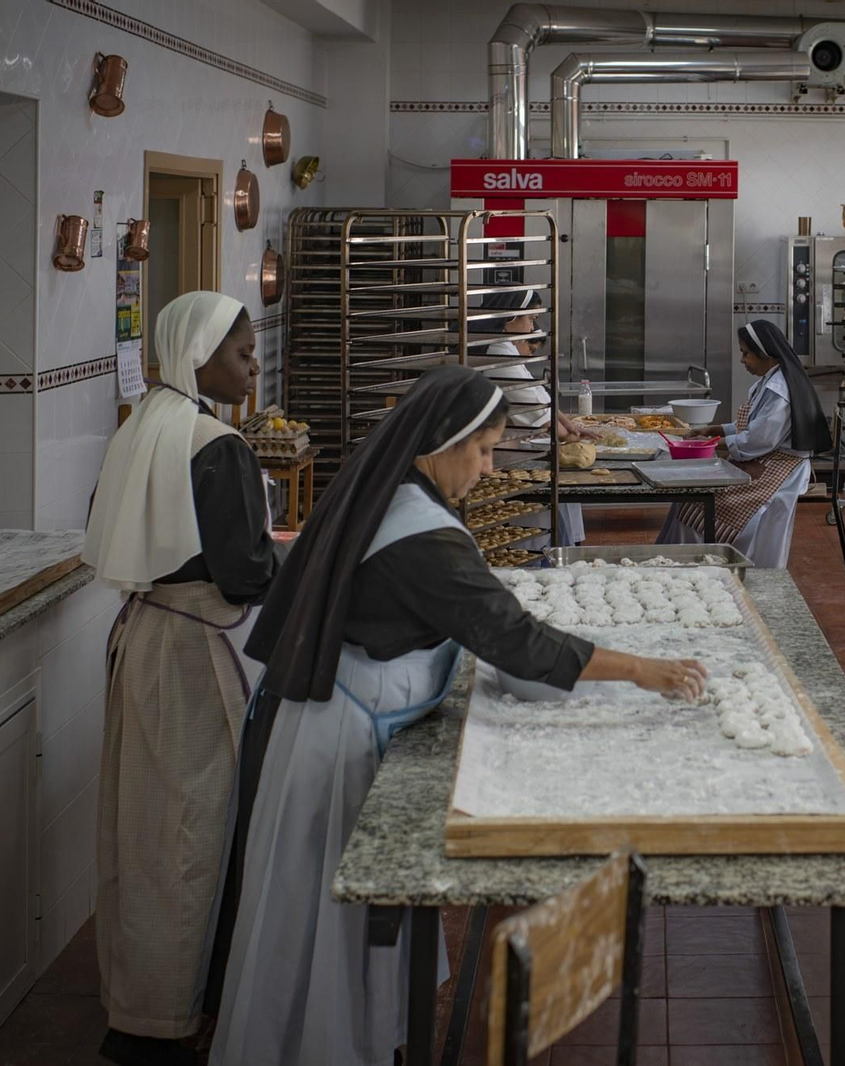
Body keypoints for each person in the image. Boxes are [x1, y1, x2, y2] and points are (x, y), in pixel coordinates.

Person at [209, 367, 706, 1066]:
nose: (488, 467)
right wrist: (641, 670)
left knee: (336, 936)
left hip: (339, 718)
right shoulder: (419, 533)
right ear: (440, 443)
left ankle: (360, 1040)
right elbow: (515, 639)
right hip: (336, 743)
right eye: (483, 451)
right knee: (321, 932)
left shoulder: (395, 490)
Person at [83, 292, 281, 1066]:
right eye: (242, 352)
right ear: (199, 353)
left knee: (142, 831)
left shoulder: (142, 431)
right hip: (197, 657)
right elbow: (242, 572)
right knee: (193, 836)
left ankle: (136, 1004)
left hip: (142, 641)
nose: (253, 365)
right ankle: (169, 1021)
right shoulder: (215, 445)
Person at [658, 320, 833, 568]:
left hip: (778, 472)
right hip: (765, 461)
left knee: (696, 504)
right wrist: (715, 429)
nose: (742, 360)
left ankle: (697, 568)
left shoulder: (778, 390)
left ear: (765, 355)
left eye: (745, 353)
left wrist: (712, 443)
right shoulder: (771, 380)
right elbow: (753, 425)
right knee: (688, 500)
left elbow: (758, 440)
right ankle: (679, 565)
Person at [477, 287, 588, 544]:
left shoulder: (505, 350)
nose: (531, 328)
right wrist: (571, 434)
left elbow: (542, 399)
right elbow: (538, 414)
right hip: (498, 459)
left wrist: (570, 426)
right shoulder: (498, 354)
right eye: (530, 319)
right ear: (509, 318)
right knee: (528, 536)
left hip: (509, 452)